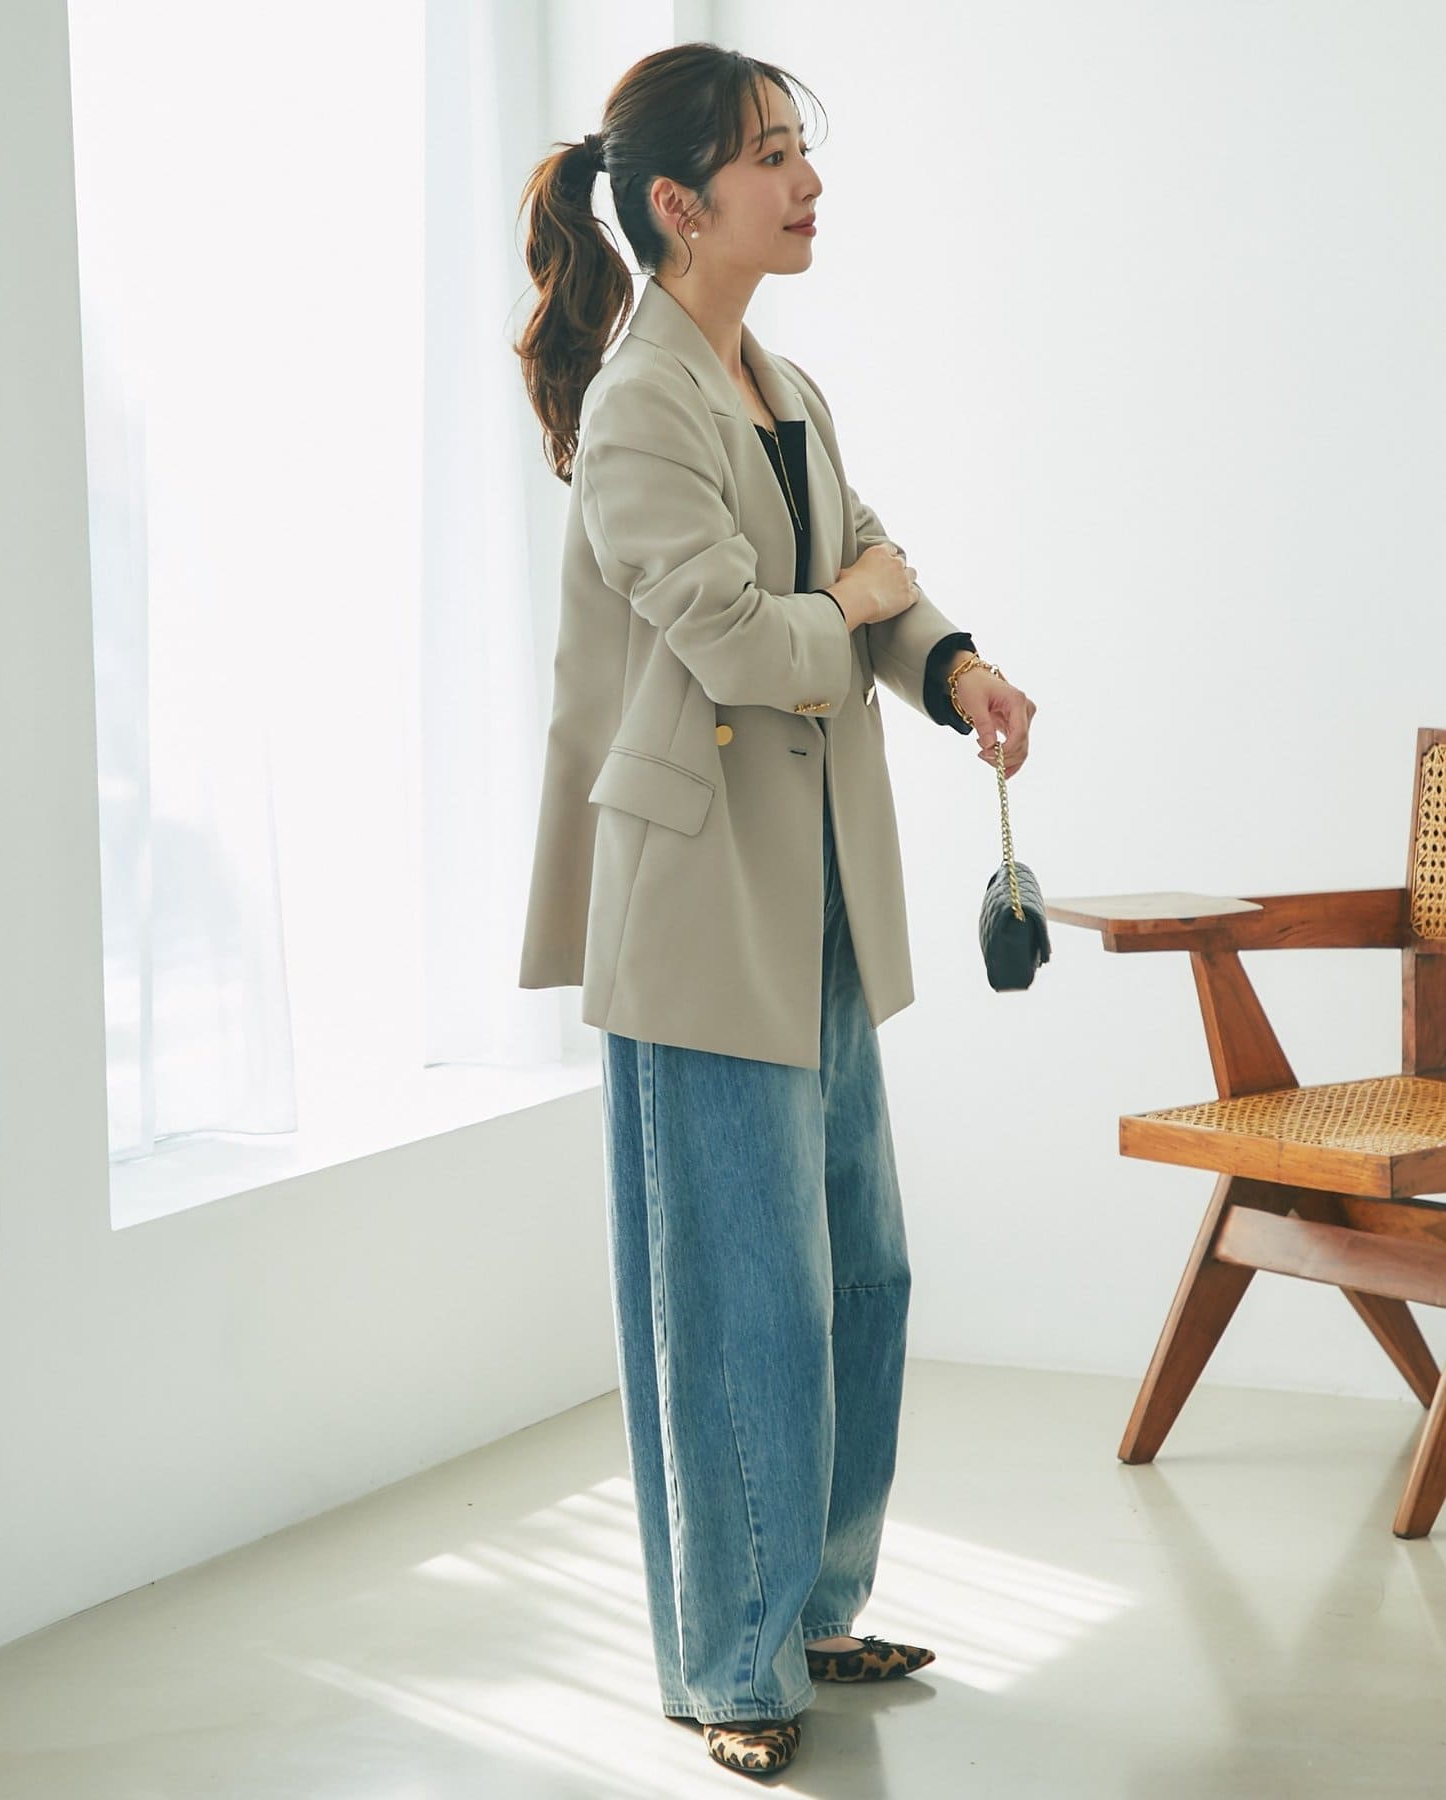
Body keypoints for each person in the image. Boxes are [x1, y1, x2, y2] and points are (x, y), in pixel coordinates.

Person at [514, 43, 1035, 1779]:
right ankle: (732, 1666)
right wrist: (860, 602)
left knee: (858, 1275)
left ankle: (813, 1608)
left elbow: (866, 566)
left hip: (811, 889)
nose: (807, 183)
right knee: (744, 1299)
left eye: (804, 149)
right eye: (770, 157)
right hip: (694, 904)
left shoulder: (780, 381)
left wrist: (951, 666)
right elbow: (743, 641)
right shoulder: (637, 405)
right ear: (679, 203)